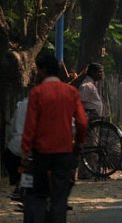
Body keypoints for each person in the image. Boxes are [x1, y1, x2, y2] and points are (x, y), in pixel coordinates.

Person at [22, 53, 88, 223]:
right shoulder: (71, 92)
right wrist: (79, 142)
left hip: (41, 152)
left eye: (38, 69)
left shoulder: (37, 93)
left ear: (43, 70)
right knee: (60, 196)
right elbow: (82, 122)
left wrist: (25, 150)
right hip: (64, 151)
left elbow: (30, 125)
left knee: (38, 193)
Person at [3, 95, 28, 200]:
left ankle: (18, 184)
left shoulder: (22, 104)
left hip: (17, 146)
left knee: (9, 156)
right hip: (40, 147)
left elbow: (12, 127)